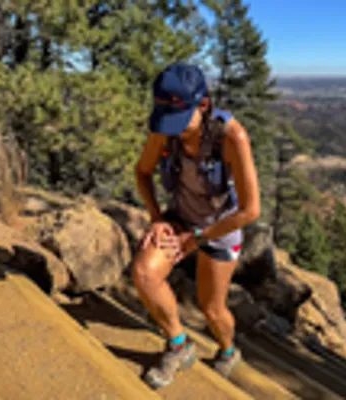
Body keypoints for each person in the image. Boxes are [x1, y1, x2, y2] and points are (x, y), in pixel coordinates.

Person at [133, 62, 261, 389]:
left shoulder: (232, 137)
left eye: (179, 119)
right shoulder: (166, 127)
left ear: (203, 105)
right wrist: (158, 218)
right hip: (180, 218)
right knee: (145, 274)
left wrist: (198, 238)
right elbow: (142, 172)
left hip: (221, 225)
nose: (172, 129)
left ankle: (228, 351)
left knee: (212, 309)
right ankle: (179, 345)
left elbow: (250, 210)